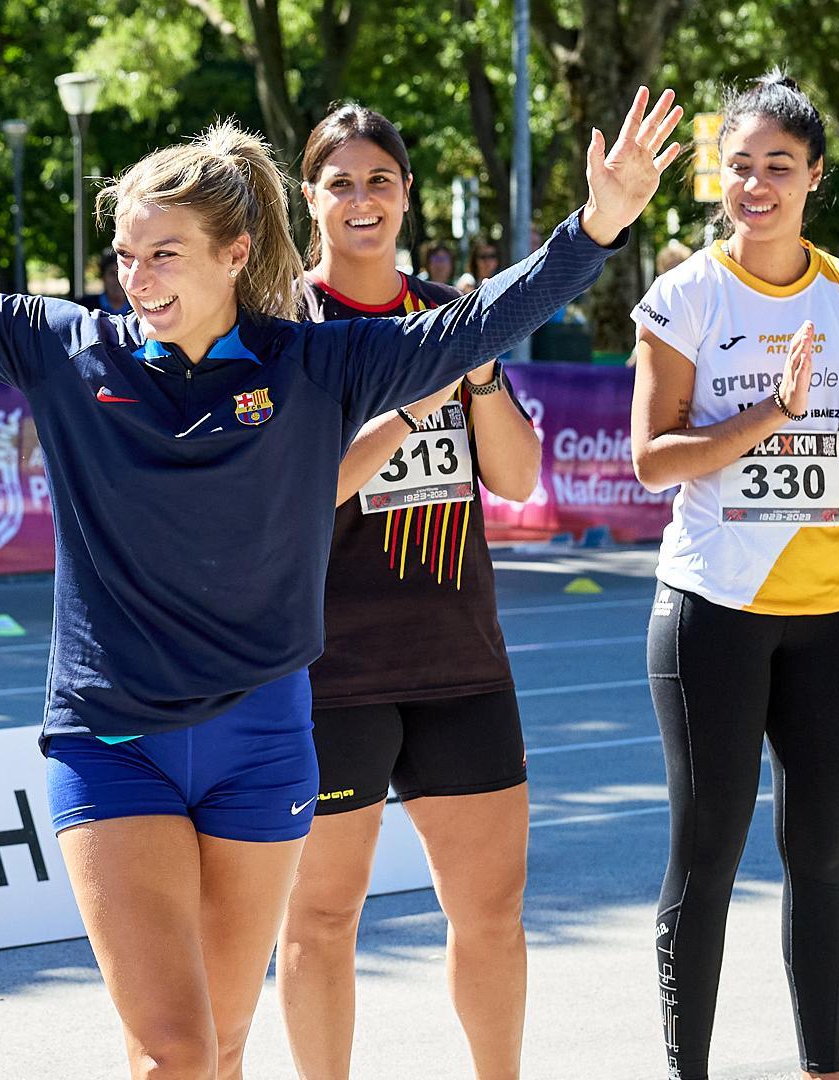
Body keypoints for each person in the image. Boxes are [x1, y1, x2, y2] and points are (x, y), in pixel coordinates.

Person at [0, 45, 677, 1080]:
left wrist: (596, 227)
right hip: (117, 740)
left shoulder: (314, 363)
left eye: (163, 255)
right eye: (123, 256)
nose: (134, 280)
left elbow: (476, 324)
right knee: (174, 1054)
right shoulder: (64, 351)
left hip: (266, 742)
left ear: (235, 253)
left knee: (227, 1047)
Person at [627, 71, 839, 1080]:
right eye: (740, 164)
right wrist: (769, 412)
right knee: (707, 862)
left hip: (835, 611)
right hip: (714, 607)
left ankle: (824, 1070)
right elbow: (650, 457)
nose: (755, 184)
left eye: (779, 168)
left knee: (820, 862)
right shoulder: (686, 294)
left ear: (815, 179)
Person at [275, 104, 552, 1080]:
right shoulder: (283, 326)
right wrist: (405, 409)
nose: (362, 201)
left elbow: (515, 479)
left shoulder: (449, 318)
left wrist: (475, 373)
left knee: (491, 914)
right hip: (330, 672)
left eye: (379, 181)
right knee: (320, 914)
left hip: (460, 664)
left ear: (406, 194)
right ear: (309, 199)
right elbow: (296, 490)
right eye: (340, 183)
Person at [82, 251, 134, 316]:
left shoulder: (142, 310)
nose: (118, 279)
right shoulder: (84, 309)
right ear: (103, 277)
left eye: (123, 273)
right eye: (113, 273)